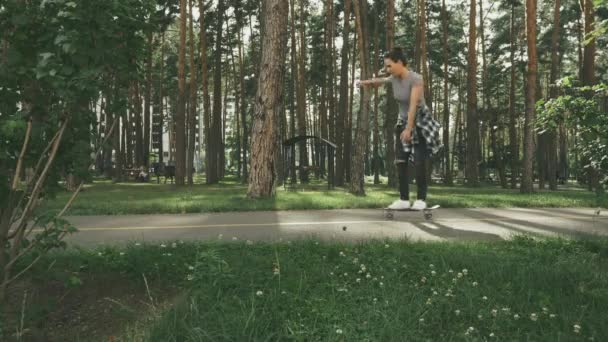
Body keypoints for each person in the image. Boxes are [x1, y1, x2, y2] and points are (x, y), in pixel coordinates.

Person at [357, 47, 441, 210]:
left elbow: (413, 106)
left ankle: (421, 200)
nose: (387, 69)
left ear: (400, 63)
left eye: (389, 66)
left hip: (420, 122)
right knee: (401, 162)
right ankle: (403, 199)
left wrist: (409, 129)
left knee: (418, 162)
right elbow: (379, 81)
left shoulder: (416, 79)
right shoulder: (393, 79)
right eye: (386, 66)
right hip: (403, 123)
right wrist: (364, 82)